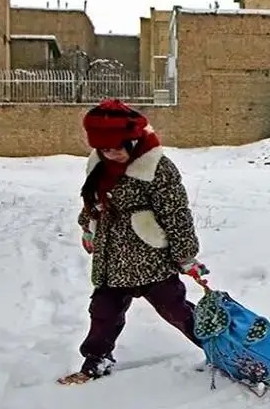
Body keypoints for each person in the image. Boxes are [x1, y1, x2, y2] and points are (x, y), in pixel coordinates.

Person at [58, 98, 207, 385]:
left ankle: (221, 349)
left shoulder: (158, 167)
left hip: (151, 259)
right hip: (111, 259)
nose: (111, 154)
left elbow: (176, 215)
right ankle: (95, 360)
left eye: (116, 148)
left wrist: (186, 255)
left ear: (133, 140)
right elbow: (92, 201)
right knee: (102, 313)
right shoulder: (98, 164)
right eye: (104, 149)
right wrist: (88, 228)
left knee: (177, 311)